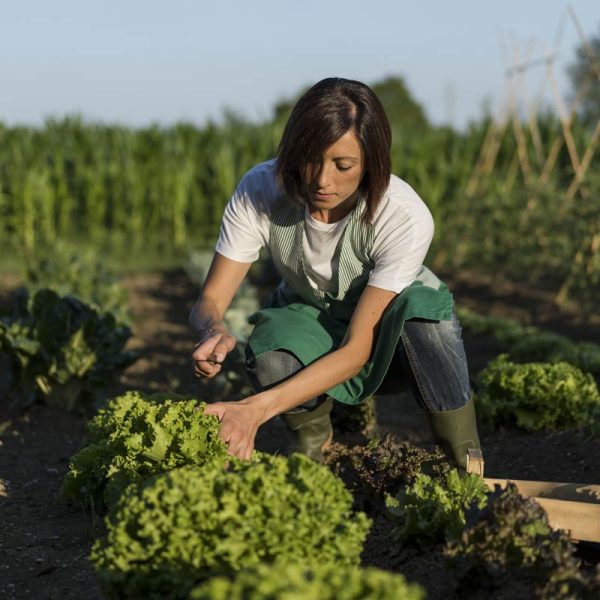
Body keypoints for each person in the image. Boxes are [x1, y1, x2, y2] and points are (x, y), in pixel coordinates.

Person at [190, 77, 481, 468]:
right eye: (310, 160)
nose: (322, 180)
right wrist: (214, 329)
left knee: (429, 325)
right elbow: (211, 299)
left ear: (370, 163)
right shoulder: (260, 189)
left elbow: (357, 350)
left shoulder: (402, 216)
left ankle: (464, 459)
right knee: (271, 350)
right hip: (311, 312)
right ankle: (315, 448)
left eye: (343, 165)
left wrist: (254, 410)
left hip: (389, 328)